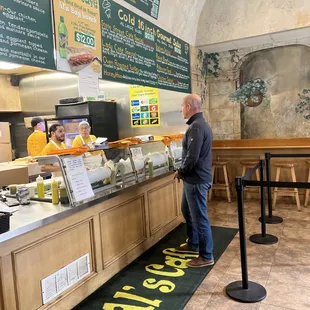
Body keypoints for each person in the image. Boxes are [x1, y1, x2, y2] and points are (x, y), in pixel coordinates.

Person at [174, 94, 214, 268]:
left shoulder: (196, 127)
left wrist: (180, 172)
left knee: (199, 218)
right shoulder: (198, 125)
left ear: (190, 106)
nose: (181, 109)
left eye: (182, 106)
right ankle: (193, 243)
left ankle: (206, 256)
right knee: (187, 210)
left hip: (196, 180)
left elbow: (192, 157)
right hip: (193, 179)